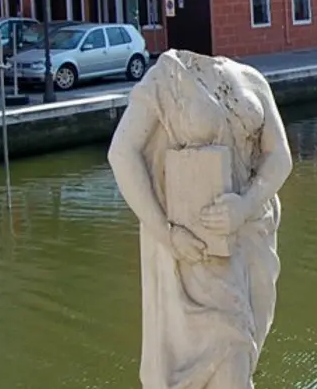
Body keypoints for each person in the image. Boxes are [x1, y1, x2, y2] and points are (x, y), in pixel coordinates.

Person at [108, 50, 294, 389]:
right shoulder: (166, 77)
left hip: (253, 233)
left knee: (249, 340)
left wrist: (245, 205)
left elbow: (279, 155)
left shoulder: (251, 77)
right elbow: (122, 153)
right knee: (231, 344)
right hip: (201, 249)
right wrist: (167, 235)